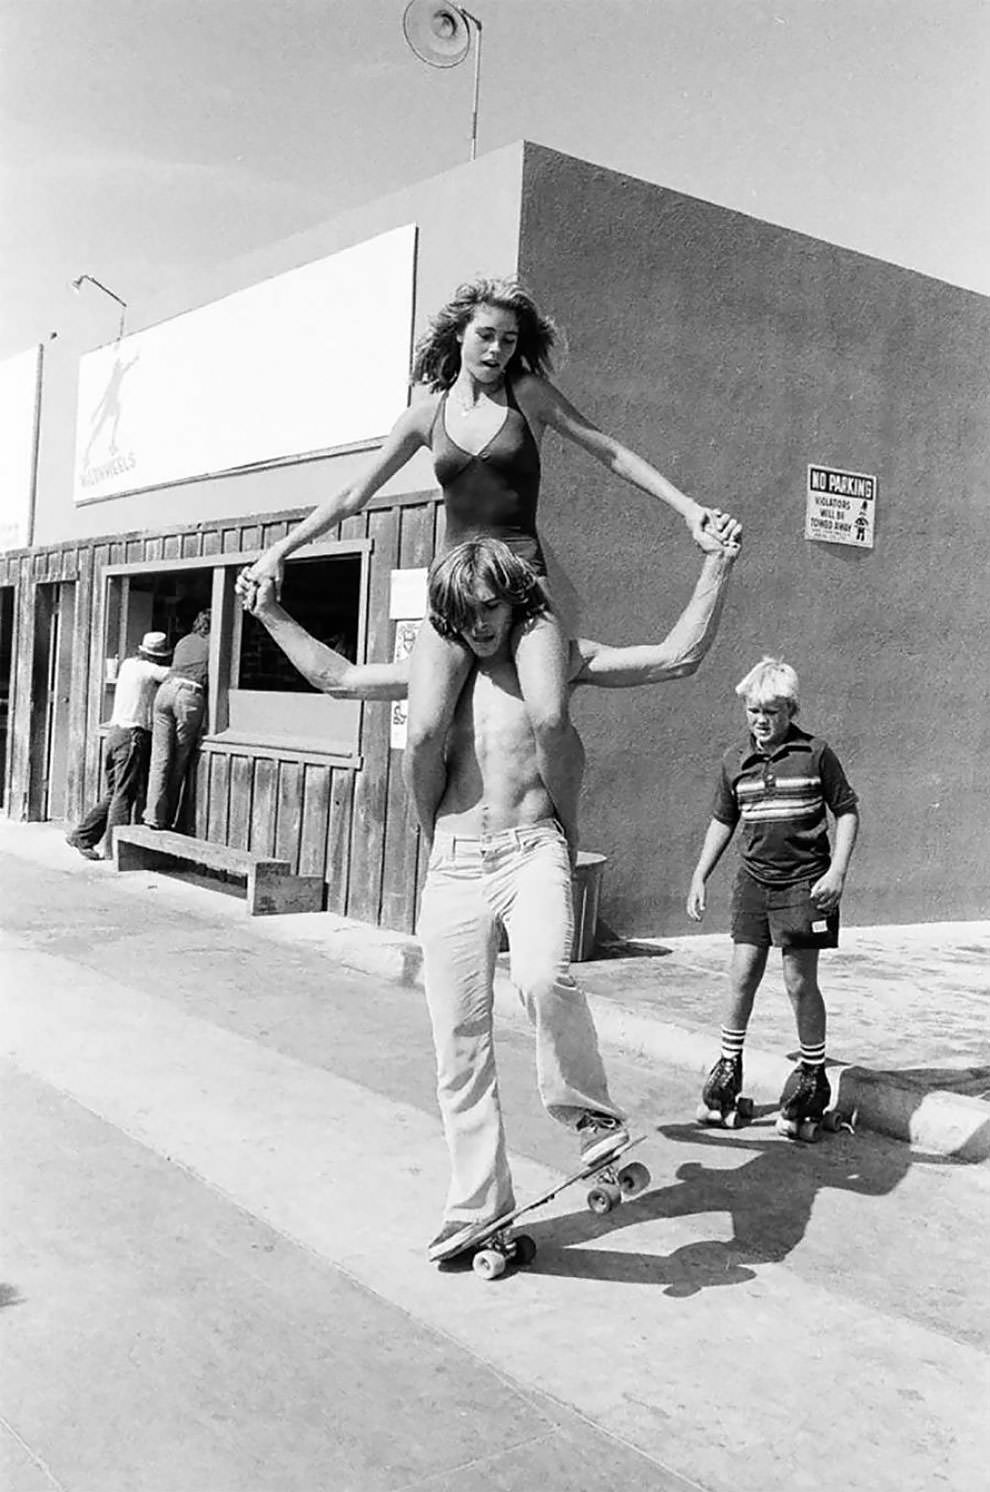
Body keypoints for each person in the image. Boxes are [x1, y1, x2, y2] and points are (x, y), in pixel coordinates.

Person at [245, 519, 741, 1259]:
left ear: (514, 605)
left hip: (532, 848)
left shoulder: (559, 660)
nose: (479, 627)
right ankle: (479, 1203)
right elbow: (337, 678)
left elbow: (677, 658)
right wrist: (269, 611)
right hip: (453, 860)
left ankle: (591, 1115)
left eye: (491, 610)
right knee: (458, 1042)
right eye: (464, 614)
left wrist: (717, 566)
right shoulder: (438, 676)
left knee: (544, 977)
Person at [236, 276, 720, 857]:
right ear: (459, 334)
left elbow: (609, 451)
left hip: (523, 581)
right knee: (422, 731)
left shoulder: (530, 397)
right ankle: (434, 843)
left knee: (547, 716)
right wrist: (277, 551)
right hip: (457, 591)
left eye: (509, 341)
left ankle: (562, 841)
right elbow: (351, 495)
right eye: (486, 337)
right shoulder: (424, 417)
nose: (496, 352)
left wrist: (688, 509)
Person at [686, 656, 860, 1138]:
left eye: (772, 712)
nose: (761, 722)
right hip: (753, 885)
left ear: (791, 710)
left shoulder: (815, 754)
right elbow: (723, 821)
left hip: (805, 885)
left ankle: (811, 1076)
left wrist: (838, 873)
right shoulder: (733, 761)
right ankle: (726, 1068)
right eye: (753, 712)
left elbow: (846, 811)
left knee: (798, 982)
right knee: (741, 974)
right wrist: (700, 875)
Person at [65, 631, 172, 860]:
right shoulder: (149, 669)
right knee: (123, 796)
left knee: (113, 792)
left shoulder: (128, 665)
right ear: (158, 656)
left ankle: (83, 836)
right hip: (132, 735)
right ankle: (115, 851)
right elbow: (173, 676)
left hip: (115, 732)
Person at [144, 609, 211, 831]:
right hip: (188, 695)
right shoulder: (214, 643)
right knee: (179, 759)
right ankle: (168, 819)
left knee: (160, 757)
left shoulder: (184, 640)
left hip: (166, 691)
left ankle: (153, 816)